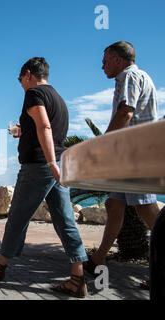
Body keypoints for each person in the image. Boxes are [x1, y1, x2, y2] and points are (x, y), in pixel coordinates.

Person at [0, 57, 89, 298]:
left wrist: (48, 163)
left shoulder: (34, 93)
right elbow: (47, 129)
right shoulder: (58, 98)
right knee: (65, 220)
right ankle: (77, 277)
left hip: (40, 166)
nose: (21, 85)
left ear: (28, 74)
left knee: (17, 217)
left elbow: (45, 127)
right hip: (56, 163)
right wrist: (22, 132)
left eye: (20, 80)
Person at [83, 41, 160, 283]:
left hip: (136, 153)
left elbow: (126, 111)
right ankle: (99, 258)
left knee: (146, 209)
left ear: (118, 59)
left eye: (105, 60)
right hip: (129, 154)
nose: (102, 65)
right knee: (114, 205)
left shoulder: (129, 76)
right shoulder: (138, 76)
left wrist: (104, 144)